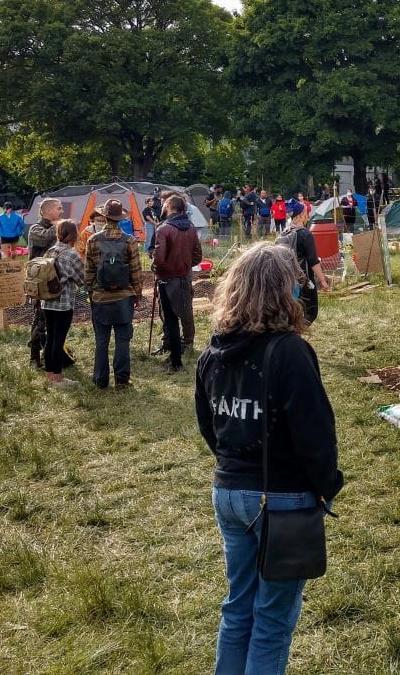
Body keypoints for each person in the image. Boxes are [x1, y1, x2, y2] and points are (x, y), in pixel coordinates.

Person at [195, 242, 342, 675]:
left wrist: (235, 464)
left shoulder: (213, 353)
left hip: (229, 493)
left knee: (238, 607)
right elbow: (315, 433)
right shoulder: (290, 352)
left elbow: (210, 424)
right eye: (297, 284)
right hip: (283, 499)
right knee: (273, 620)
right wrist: (326, 485)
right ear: (284, 292)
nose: (301, 290)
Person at [84, 198, 143, 389]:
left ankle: (100, 380)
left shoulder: (93, 240)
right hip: (123, 297)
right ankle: (122, 380)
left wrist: (91, 292)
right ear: (120, 218)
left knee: (101, 341)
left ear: (104, 216)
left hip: (100, 297)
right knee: (123, 340)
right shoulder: (129, 241)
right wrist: (137, 294)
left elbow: (89, 272)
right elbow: (136, 271)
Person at [154, 194, 203, 371]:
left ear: (168, 205)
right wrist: (183, 266)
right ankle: (174, 352)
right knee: (182, 312)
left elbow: (159, 259)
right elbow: (198, 256)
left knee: (171, 318)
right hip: (182, 276)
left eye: (163, 204)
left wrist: (162, 269)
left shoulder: (163, 229)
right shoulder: (190, 227)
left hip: (167, 279)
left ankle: (175, 359)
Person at [41, 219, 85, 386]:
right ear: (74, 234)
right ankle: (58, 377)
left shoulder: (50, 251)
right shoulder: (71, 254)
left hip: (47, 302)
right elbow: (82, 279)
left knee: (51, 338)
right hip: (63, 303)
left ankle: (50, 374)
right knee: (59, 341)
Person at [277, 201, 330, 323]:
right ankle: (295, 336)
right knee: (310, 313)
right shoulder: (305, 233)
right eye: (306, 213)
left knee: (291, 311)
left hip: (286, 280)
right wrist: (323, 281)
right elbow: (313, 261)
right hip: (304, 281)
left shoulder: (283, 234)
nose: (308, 216)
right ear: (301, 215)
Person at [27, 197, 63, 369]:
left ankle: (53, 353)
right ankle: (34, 357)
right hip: (40, 284)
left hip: (55, 280)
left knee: (56, 321)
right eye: (58, 208)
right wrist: (59, 226)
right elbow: (45, 239)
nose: (61, 211)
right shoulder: (36, 229)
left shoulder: (56, 228)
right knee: (40, 320)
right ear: (48, 211)